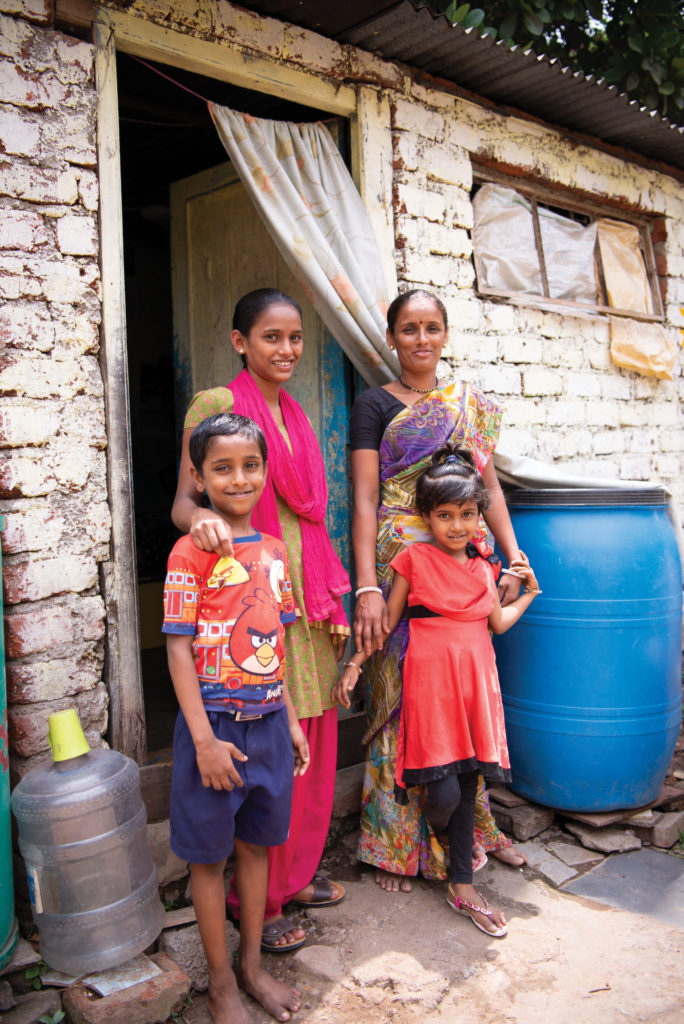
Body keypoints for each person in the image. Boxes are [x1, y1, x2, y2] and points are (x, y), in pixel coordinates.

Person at [171, 288, 349, 952]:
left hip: (306, 587)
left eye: (296, 337)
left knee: (307, 736)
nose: (287, 350)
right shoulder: (219, 407)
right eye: (271, 337)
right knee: (271, 735)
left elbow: (308, 510)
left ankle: (293, 874)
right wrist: (206, 524)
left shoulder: (298, 413)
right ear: (241, 342)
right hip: (251, 596)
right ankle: (261, 901)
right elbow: (184, 503)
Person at [350, 288, 527, 894]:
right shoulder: (373, 404)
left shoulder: (466, 404)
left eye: (430, 327)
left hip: (463, 559)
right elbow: (367, 499)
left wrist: (511, 551)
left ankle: (469, 828)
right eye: (408, 328)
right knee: (396, 698)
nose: (420, 339)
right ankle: (396, 844)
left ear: (444, 334)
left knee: (458, 698)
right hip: (401, 561)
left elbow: (490, 490)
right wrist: (368, 585)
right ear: (393, 337)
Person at [335, 448, 541, 936]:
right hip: (430, 692)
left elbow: (497, 623)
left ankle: (463, 886)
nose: (457, 526)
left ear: (479, 517)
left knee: (470, 783)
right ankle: (446, 837)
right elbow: (386, 622)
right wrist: (356, 665)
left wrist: (529, 594)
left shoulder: (485, 567)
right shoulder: (413, 560)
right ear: (426, 517)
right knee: (443, 790)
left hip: (475, 687)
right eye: (444, 516)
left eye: (468, 515)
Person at [163, 413, 308, 1023]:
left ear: (267, 471)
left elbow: (282, 643)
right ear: (198, 478)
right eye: (222, 468)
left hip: (271, 722)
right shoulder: (188, 550)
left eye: (251, 465)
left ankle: (252, 967)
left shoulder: (274, 553)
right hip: (215, 728)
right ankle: (221, 983)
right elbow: (176, 648)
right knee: (208, 858)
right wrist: (203, 742)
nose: (240, 478)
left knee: (256, 849)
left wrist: (294, 720)